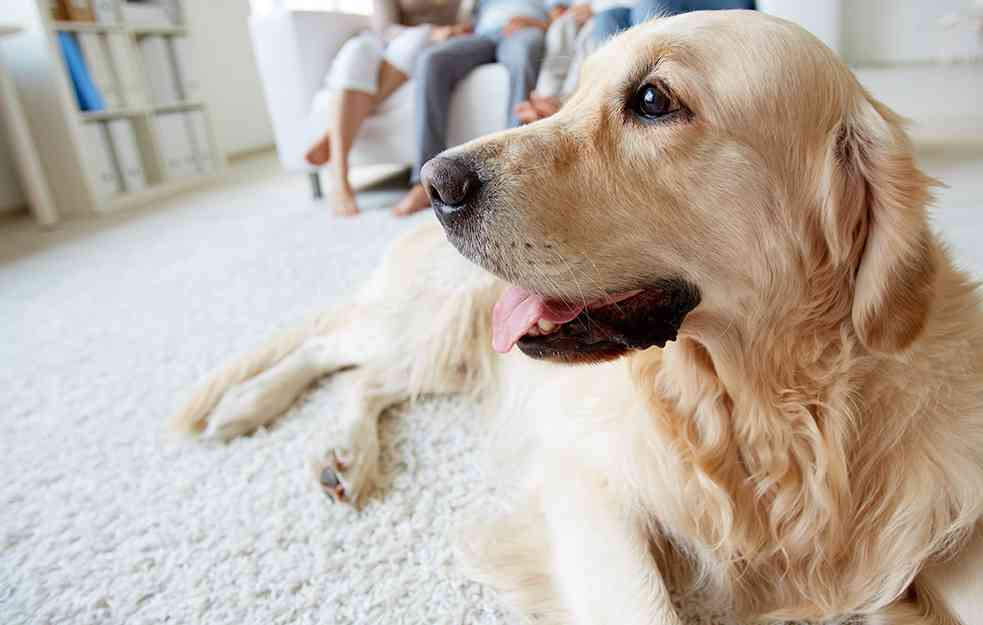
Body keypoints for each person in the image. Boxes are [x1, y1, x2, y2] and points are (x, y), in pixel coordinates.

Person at [305, 1, 472, 217]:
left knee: (418, 41)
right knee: (357, 50)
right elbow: (384, 28)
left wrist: (453, 31)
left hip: (429, 48)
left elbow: (467, 18)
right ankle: (340, 178)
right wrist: (432, 31)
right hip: (390, 44)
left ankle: (332, 135)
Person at [392, 0, 553, 216]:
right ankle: (422, 184)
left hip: (523, 31)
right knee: (431, 60)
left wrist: (534, 23)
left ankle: (514, 171)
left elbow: (563, 16)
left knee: (524, 55)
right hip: (483, 35)